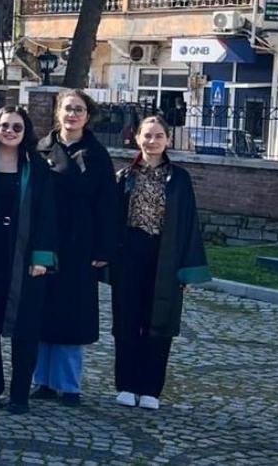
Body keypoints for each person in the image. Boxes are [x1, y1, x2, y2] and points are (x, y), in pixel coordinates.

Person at [112, 116, 210, 411]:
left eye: (158, 136)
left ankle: (151, 388)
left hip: (165, 254)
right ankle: (127, 385)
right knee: (127, 320)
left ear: (168, 140)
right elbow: (112, 221)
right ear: (137, 138)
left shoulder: (179, 178)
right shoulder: (124, 176)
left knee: (159, 322)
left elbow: (188, 223)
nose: (151, 141)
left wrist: (187, 269)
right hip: (130, 252)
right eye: (146, 135)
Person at [32, 90, 117, 406]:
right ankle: (42, 381)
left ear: (87, 114)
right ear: (58, 112)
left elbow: (107, 204)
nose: (72, 115)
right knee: (43, 311)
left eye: (79, 109)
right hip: (44, 240)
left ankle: (68, 384)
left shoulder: (97, 155)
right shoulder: (40, 148)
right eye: (68, 109)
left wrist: (104, 249)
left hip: (80, 244)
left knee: (72, 314)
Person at [0, 107, 55, 415]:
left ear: (26, 131)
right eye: (4, 125)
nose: (10, 131)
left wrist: (42, 256)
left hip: (26, 254)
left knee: (26, 327)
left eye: (16, 127)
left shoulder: (37, 167)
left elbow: (48, 214)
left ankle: (20, 394)